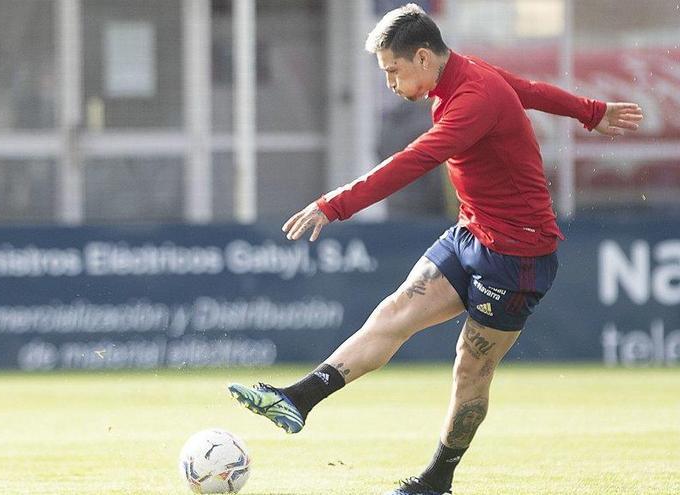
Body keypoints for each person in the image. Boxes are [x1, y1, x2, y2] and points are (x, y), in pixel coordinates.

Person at [227, 4, 643, 495]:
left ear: (423, 57)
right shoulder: (463, 73)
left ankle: (437, 480)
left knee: (471, 365)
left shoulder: (473, 98)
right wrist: (592, 112)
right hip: (471, 234)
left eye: (393, 71)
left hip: (517, 256)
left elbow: (415, 159)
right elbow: (529, 91)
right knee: (392, 314)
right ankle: (299, 399)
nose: (389, 83)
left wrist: (334, 204)